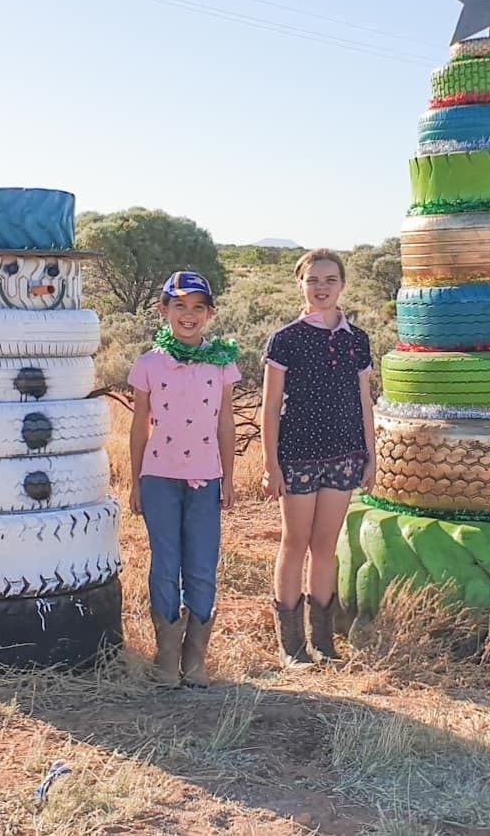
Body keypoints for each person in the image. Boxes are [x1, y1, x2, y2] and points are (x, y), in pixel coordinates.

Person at [261, 249, 376, 667]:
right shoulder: (286, 339)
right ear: (300, 284)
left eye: (330, 280)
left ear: (342, 285)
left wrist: (371, 457)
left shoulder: (356, 340)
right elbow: (270, 406)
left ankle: (323, 643)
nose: (321, 287)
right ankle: (292, 646)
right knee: (294, 544)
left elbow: (365, 401)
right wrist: (270, 464)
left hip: (345, 455)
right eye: (313, 280)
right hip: (297, 456)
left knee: (325, 547)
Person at [129, 271, 241, 687]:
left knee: (201, 565)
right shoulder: (149, 363)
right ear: (164, 311)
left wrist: (228, 478)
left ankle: (194, 661)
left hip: (206, 477)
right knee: (165, 563)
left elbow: (226, 423)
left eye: (198, 307)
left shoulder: (222, 362)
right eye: (180, 306)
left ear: (209, 313)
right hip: (159, 476)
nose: (188, 315)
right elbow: (140, 425)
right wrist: (136, 480)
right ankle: (166, 658)